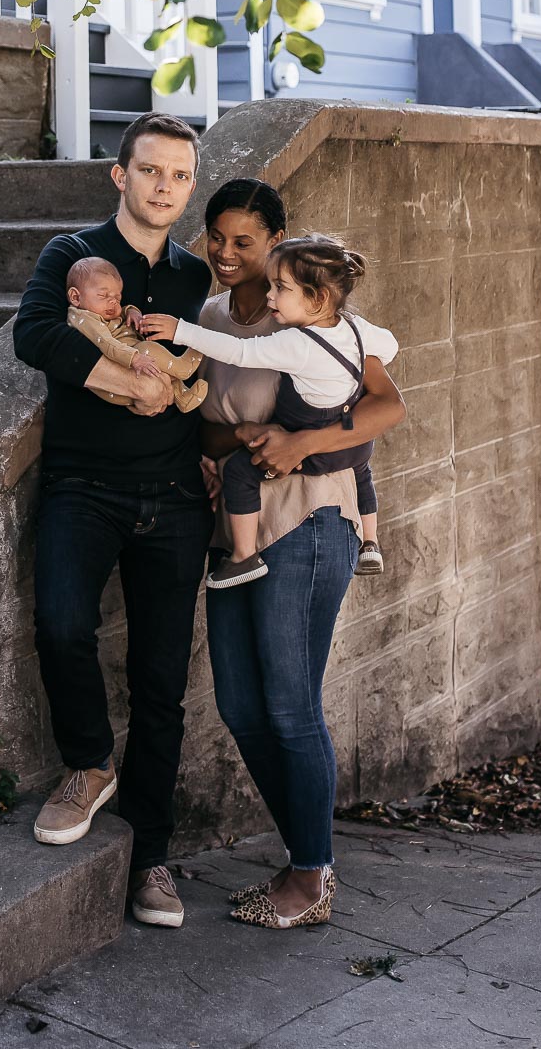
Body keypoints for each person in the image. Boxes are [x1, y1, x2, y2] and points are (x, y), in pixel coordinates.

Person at [12, 113, 212, 930]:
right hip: (83, 485)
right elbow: (34, 335)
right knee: (61, 625)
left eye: (179, 175)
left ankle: (153, 858)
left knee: (163, 682)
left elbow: (234, 358)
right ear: (119, 175)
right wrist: (124, 380)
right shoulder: (72, 255)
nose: (164, 187)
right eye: (151, 170)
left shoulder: (198, 279)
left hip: (175, 499)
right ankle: (90, 763)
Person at [195, 178, 406, 930]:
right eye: (216, 237)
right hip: (237, 521)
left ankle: (311, 875)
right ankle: (307, 857)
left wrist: (300, 441)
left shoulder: (323, 318)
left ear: (277, 241)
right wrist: (215, 449)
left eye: (244, 241)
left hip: (312, 515)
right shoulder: (212, 314)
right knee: (240, 704)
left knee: (288, 702)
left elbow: (381, 404)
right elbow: (210, 419)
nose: (225, 253)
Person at [141, 234, 395, 586]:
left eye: (280, 288)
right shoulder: (354, 328)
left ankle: (244, 556)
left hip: (305, 449)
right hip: (349, 442)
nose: (270, 296)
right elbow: (390, 344)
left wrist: (181, 330)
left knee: (241, 474)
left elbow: (239, 351)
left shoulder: (296, 343)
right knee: (361, 469)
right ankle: (370, 541)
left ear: (318, 297)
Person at [66, 254, 208, 413]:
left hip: (132, 382)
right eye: (103, 295)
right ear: (75, 297)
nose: (113, 302)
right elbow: (106, 343)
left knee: (156, 369)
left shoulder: (98, 310)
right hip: (120, 376)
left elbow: (121, 312)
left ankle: (182, 397)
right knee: (147, 349)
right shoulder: (84, 318)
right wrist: (135, 357)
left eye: (117, 298)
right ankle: (183, 367)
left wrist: (131, 311)